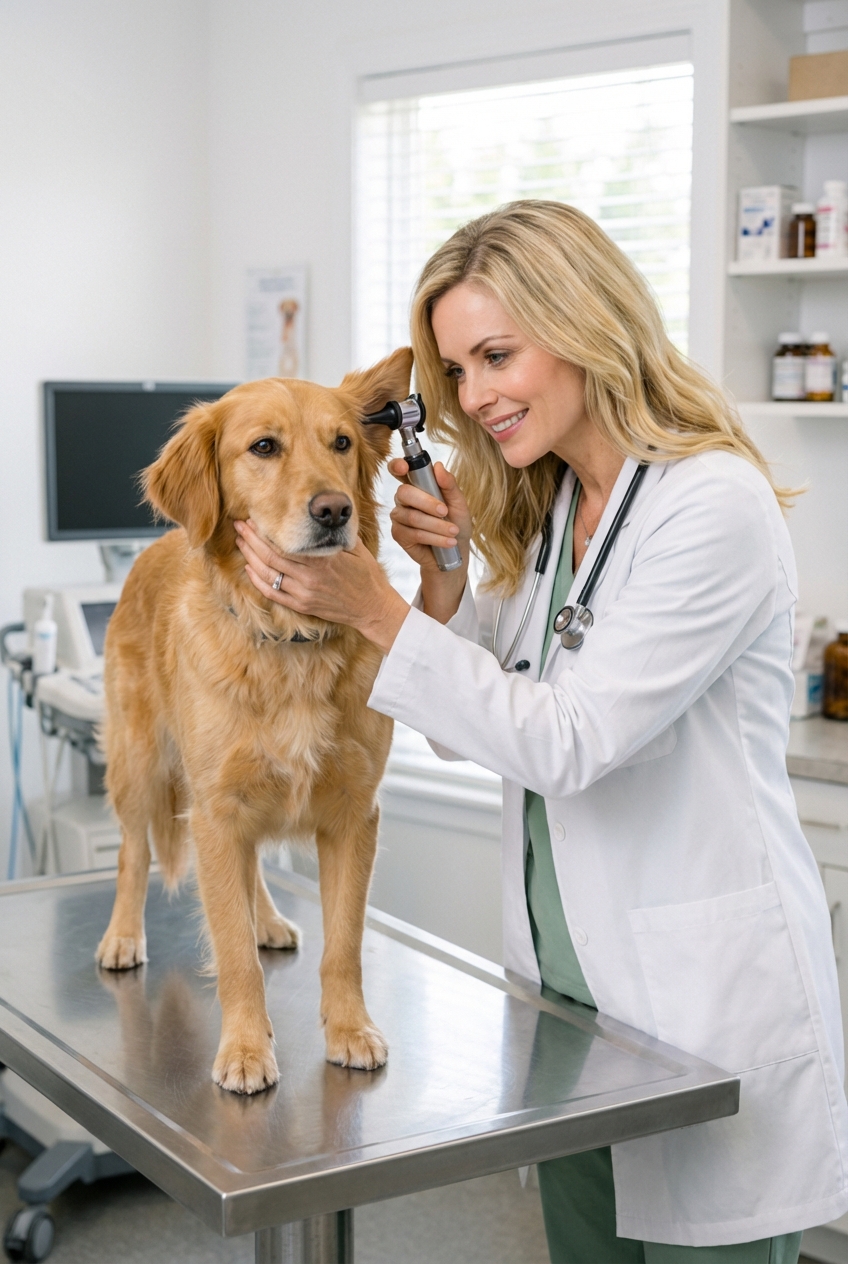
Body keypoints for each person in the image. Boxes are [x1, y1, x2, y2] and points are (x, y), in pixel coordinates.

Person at [235, 200, 848, 1262]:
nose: (473, 397)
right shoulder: (556, 507)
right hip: (573, 1012)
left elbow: (565, 741)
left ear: (582, 324)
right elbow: (463, 728)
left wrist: (369, 606)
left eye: (494, 356)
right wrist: (436, 580)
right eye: (456, 372)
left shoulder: (711, 504)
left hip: (696, 1007)